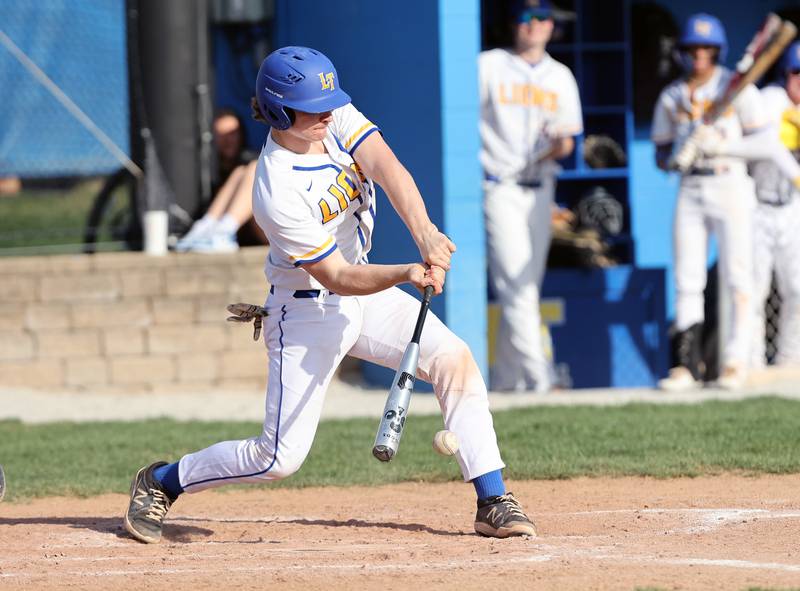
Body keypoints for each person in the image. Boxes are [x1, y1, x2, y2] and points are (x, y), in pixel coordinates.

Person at [123, 46, 536, 543]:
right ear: (278, 109)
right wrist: (407, 271)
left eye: (326, 103)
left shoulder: (333, 115)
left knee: (453, 358)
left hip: (365, 293)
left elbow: (386, 166)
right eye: (309, 106)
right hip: (307, 313)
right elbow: (336, 276)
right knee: (277, 459)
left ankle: (492, 499)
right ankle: (162, 481)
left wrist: (424, 232)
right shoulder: (275, 187)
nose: (324, 112)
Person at [652, 13, 767, 391]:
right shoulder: (672, 95)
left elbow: (765, 144)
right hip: (691, 185)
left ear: (717, 50)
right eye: (692, 47)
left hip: (730, 180)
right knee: (687, 277)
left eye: (706, 47)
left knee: (738, 275)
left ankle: (736, 361)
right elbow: (660, 154)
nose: (698, 54)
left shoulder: (738, 87)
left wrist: (723, 145)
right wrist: (680, 150)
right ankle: (686, 364)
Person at [479, 0, 583, 392]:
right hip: (499, 186)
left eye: (543, 18)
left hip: (541, 188)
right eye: (526, 16)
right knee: (516, 286)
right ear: (512, 23)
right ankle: (542, 378)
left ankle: (507, 382)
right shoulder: (488, 64)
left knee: (524, 288)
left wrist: (553, 145)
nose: (535, 24)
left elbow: (568, 142)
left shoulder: (560, 76)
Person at [749, 42, 800, 368]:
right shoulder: (769, 99)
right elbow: (766, 142)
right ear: (786, 74)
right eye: (797, 73)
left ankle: (790, 357)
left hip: (792, 206)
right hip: (757, 204)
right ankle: (751, 359)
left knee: (797, 287)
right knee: (754, 288)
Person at [175, 110, 264, 253]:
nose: (228, 140)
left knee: (253, 168)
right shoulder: (205, 168)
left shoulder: (251, 160)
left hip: (266, 231)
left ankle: (223, 232)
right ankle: (204, 229)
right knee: (240, 172)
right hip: (235, 234)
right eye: (221, 134)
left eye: (232, 133)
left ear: (241, 135)